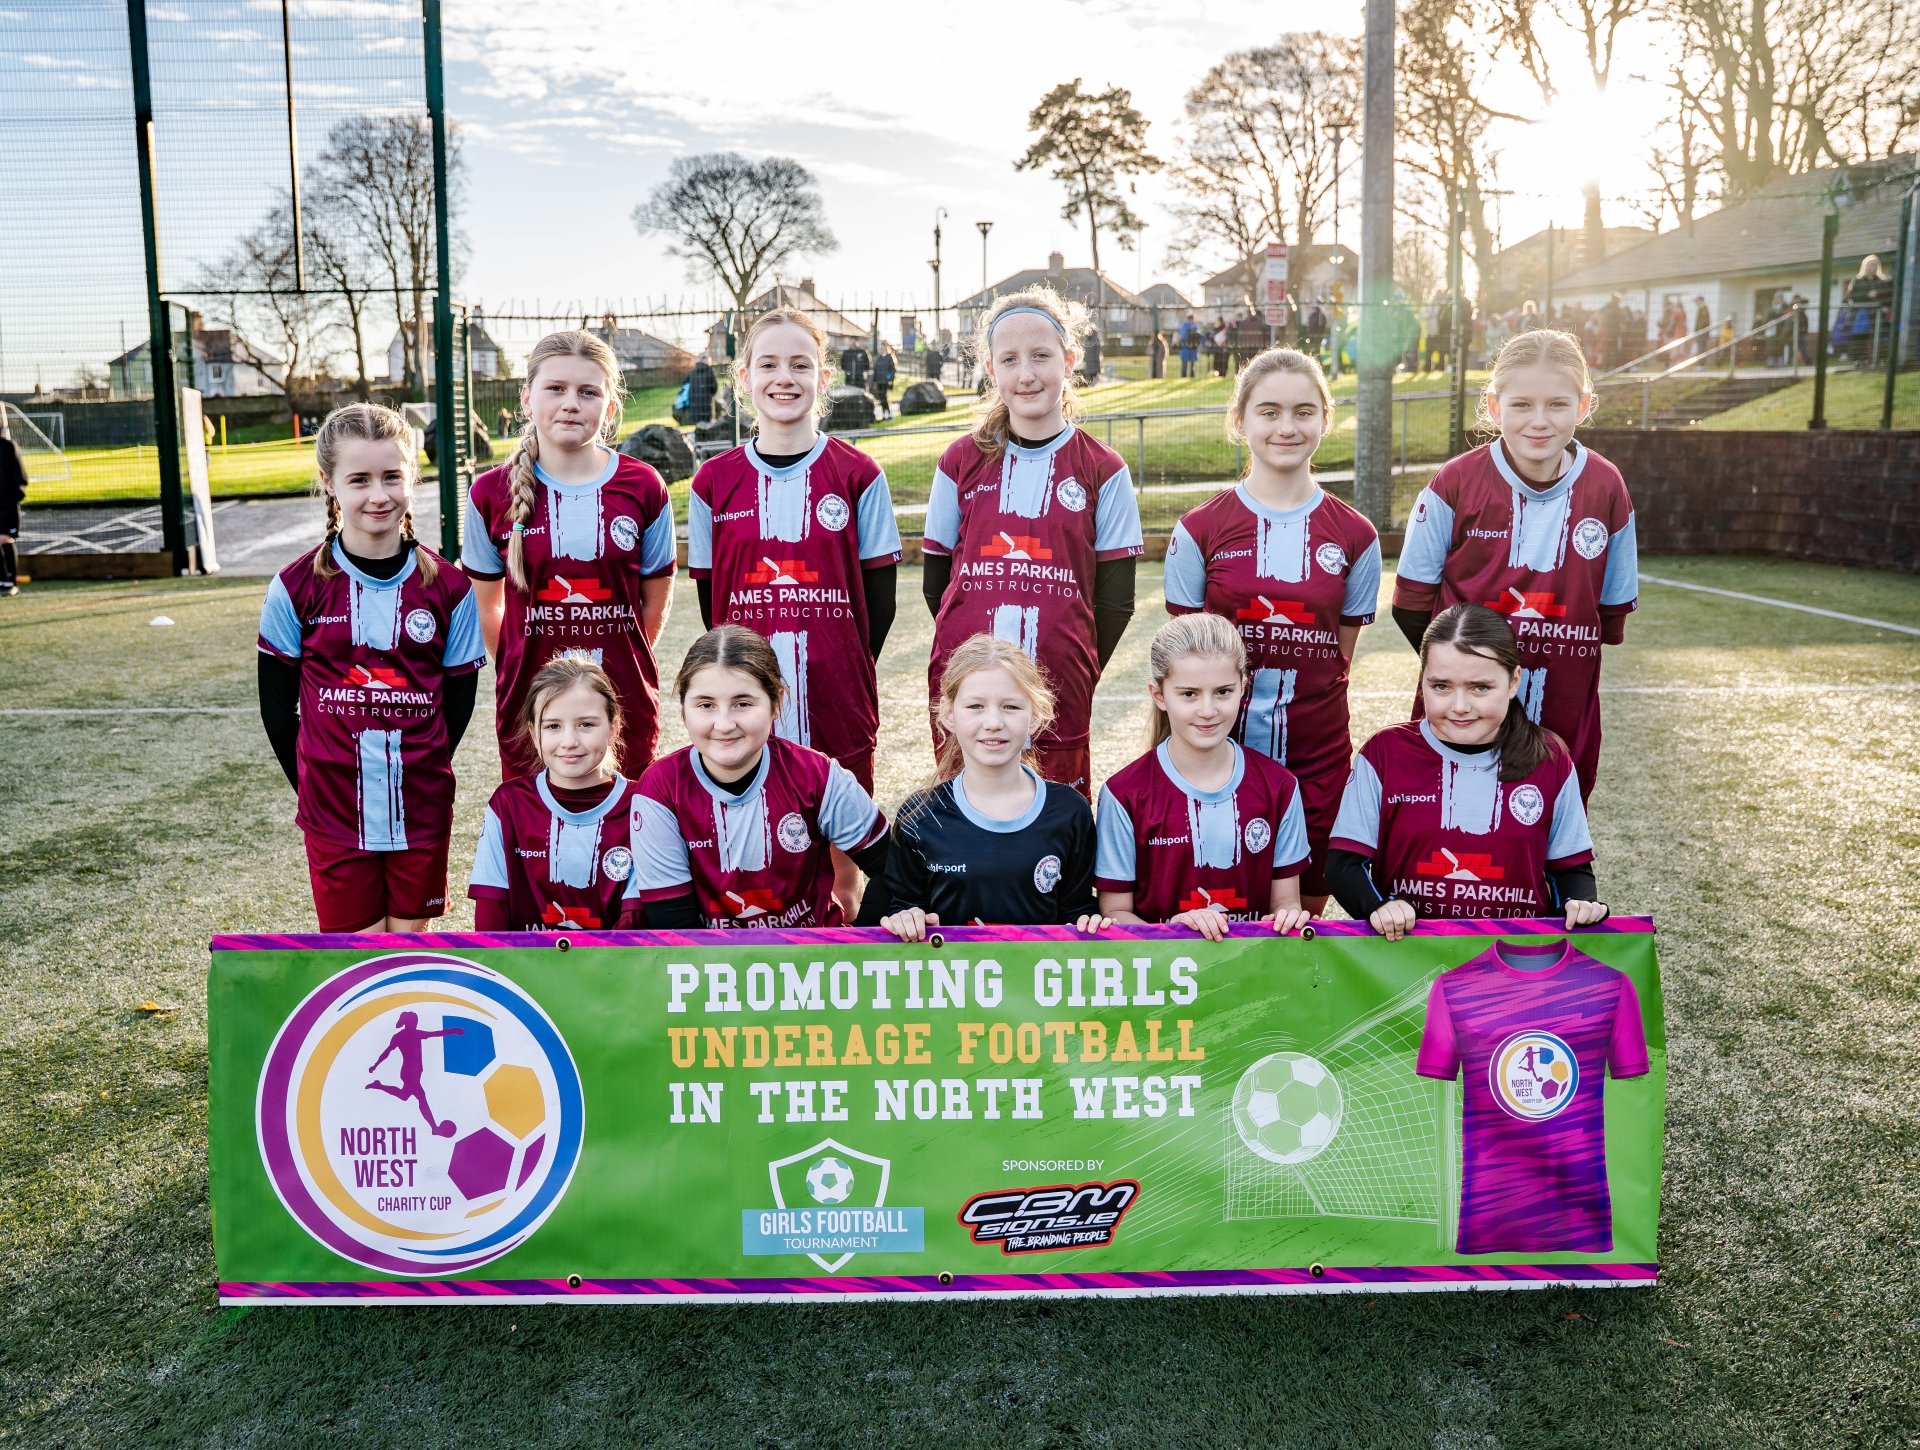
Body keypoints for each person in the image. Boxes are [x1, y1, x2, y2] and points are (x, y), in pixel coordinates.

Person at [688, 306, 902, 911]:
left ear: (823, 377)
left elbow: (880, 604)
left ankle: (844, 946)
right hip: (746, 697)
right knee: (760, 853)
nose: (785, 378)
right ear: (744, 378)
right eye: (769, 365)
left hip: (838, 689)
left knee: (842, 868)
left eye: (801, 365)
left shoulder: (859, 474)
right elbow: (713, 606)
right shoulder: (712, 482)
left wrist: (841, 660)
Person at [1162, 348, 1379, 913]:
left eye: (1304, 412)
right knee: (1216, 909)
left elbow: (1337, 656)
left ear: (1325, 420)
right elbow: (1185, 661)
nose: (1287, 427)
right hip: (1216, 752)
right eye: (1269, 412)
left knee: (1298, 921)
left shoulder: (1357, 536)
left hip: (1317, 756)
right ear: (1240, 421)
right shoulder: (1199, 530)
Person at [256, 402, 486, 933]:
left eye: (391, 477)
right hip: (333, 809)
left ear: (413, 477)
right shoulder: (294, 587)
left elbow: (458, 701)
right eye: (359, 480)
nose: (378, 495)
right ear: (329, 482)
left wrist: (420, 770)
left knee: (407, 953)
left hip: (422, 805)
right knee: (358, 957)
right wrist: (314, 786)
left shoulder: (449, 589)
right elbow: (277, 709)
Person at [1393, 329, 1637, 804]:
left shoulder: (1606, 486)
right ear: (1494, 406)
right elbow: (1410, 607)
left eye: (1557, 404)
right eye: (1522, 404)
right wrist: (1466, 671)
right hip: (1463, 711)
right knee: (1449, 821)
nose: (1539, 421)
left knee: (1550, 833)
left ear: (1583, 406)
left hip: (1564, 710)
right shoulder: (1455, 482)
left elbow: (1608, 617)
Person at [920, 287, 1143, 798]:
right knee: (968, 823)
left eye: (1041, 356)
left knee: (1055, 827)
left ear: (1069, 360)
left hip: (1060, 687)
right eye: (1010, 360)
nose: (1026, 374)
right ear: (990, 369)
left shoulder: (1103, 469)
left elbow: (1116, 602)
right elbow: (937, 586)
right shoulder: (959, 461)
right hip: (966, 690)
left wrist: (1078, 665)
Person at [462, 330, 677, 782]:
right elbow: (487, 608)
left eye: (588, 392)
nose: (571, 404)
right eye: (556, 388)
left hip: (623, 700)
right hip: (530, 705)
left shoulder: (644, 487)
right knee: (536, 821)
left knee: (626, 820)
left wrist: (621, 657)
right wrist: (521, 663)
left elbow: (653, 604)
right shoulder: (489, 494)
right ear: (526, 399)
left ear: (610, 407)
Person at [1326, 603, 1608, 935]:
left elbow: (1570, 869)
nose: (1460, 707)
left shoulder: (1551, 758)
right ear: (1422, 681)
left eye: (1480, 687)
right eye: (1441, 686)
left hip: (1516, 955)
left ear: (1514, 682)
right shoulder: (1384, 752)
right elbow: (1344, 864)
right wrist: (1378, 907)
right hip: (1407, 952)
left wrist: (1580, 903)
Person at [633, 625, 892, 928]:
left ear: (776, 703)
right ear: (683, 709)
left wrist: (862, 941)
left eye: (743, 703)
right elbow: (673, 926)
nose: (724, 724)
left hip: (814, 953)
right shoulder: (661, 789)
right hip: (709, 957)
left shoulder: (818, 776)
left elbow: (894, 869)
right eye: (706, 705)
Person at [1096, 614, 1314, 939]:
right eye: (1189, 694)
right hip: (1164, 967)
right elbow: (1114, 912)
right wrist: (1174, 932)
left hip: (1252, 965)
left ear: (1243, 686)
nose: (1208, 710)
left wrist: (1287, 916)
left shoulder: (1279, 786)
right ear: (1159, 695)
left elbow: (1285, 902)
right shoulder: (1124, 794)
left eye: (1223, 691)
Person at [881, 634, 1108, 940]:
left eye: (1010, 707)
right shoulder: (920, 816)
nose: (993, 722)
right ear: (948, 715)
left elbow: (1076, 908)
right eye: (975, 706)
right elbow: (904, 906)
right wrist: (906, 917)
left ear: (1034, 717)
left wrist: (1088, 921)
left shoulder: (1069, 812)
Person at [468, 652, 645, 931]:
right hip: (523, 961)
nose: (569, 741)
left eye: (586, 724)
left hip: (614, 960)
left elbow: (637, 923)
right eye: (553, 726)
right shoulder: (508, 805)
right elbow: (490, 922)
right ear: (533, 733)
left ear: (613, 729)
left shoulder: (642, 805)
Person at [0, 416, 25, 597]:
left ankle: (11, 582)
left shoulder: (8, 446)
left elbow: (20, 477)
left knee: (5, 539)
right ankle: (1, 579)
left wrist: (14, 498)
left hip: (6, 505)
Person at [686, 356, 719, 424]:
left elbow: (685, 383)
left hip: (694, 402)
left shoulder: (692, 372)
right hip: (706, 402)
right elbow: (714, 387)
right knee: (707, 423)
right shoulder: (710, 372)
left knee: (697, 422)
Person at [873, 340, 898, 418]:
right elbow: (875, 370)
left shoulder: (889, 358)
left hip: (885, 381)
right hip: (879, 381)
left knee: (884, 397)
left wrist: (888, 378)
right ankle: (884, 413)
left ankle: (888, 413)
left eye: (882, 348)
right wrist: (875, 381)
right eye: (880, 348)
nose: (881, 349)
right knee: (881, 397)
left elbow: (892, 370)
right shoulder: (878, 358)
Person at [1178, 313, 1200, 378]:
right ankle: (1183, 377)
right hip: (1185, 348)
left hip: (1193, 348)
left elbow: (1199, 336)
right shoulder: (1184, 326)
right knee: (1184, 364)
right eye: (1189, 317)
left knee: (1193, 365)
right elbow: (1183, 335)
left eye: (1191, 317)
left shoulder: (1196, 326)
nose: (1191, 319)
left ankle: (1192, 376)